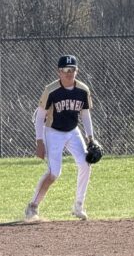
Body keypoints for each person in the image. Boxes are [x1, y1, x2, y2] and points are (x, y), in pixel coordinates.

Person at [25, 54, 97, 222]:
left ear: (77, 71)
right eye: (65, 70)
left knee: (85, 164)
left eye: (72, 69)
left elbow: (85, 115)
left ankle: (79, 206)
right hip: (53, 131)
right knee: (54, 173)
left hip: (72, 131)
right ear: (59, 72)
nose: (68, 73)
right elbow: (39, 117)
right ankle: (32, 207)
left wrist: (91, 139)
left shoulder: (83, 90)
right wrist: (39, 141)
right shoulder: (51, 90)